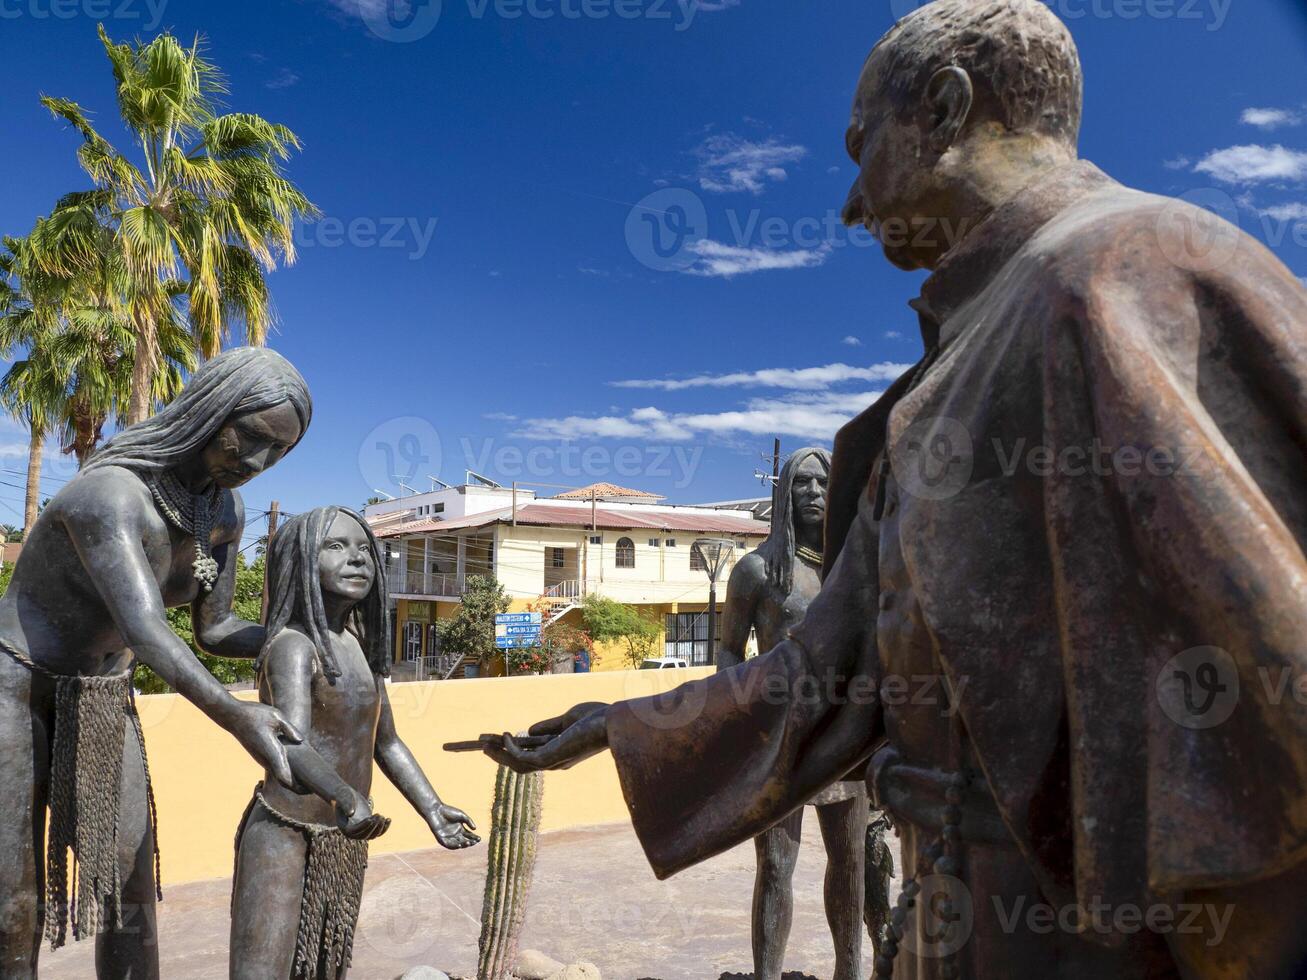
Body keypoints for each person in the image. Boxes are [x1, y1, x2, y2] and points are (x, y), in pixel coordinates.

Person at [474, 2, 1307, 977]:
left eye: (860, 149)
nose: (849, 205)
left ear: (944, 109)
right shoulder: (956, 359)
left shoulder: (1116, 268)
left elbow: (1269, 718)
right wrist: (625, 726)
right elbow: (839, 669)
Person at [0, 347, 330, 979]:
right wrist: (238, 715)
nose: (256, 464)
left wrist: (299, 638)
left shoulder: (222, 512)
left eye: (277, 453)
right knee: (13, 894)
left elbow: (218, 628)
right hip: (15, 682)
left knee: (129, 878)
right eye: (251, 439)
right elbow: (146, 630)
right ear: (209, 412)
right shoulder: (110, 496)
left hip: (100, 695)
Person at [231, 506, 480, 980]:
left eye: (365, 548)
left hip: (342, 837)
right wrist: (345, 796)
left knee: (326, 968)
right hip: (285, 834)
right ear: (300, 561)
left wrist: (432, 807)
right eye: (336, 546)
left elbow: (385, 743)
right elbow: (290, 743)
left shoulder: (358, 650)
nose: (358, 559)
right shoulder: (293, 647)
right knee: (265, 969)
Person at [717, 448, 871, 980]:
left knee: (849, 867)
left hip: (844, 740)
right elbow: (730, 653)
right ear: (783, 494)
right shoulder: (756, 570)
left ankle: (849, 973)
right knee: (777, 867)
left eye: (823, 484)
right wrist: (740, 716)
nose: (813, 493)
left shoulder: (850, 570)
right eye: (801, 484)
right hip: (779, 740)